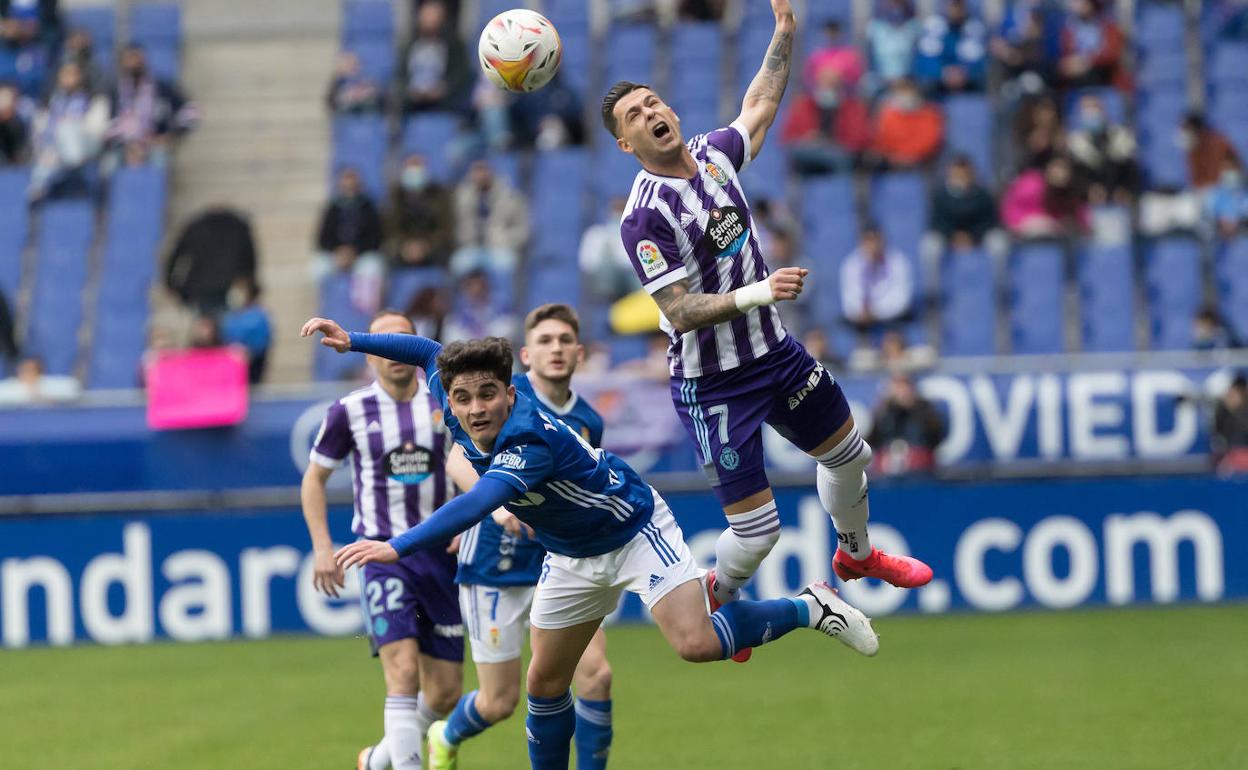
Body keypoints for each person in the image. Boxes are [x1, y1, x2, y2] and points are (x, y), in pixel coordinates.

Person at [304, 320, 880, 770]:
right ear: (448, 400)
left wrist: (396, 546)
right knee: (544, 685)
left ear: (510, 393)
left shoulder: (525, 439)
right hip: (573, 554)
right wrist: (352, 340)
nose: (475, 408)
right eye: (463, 398)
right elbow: (428, 350)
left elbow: (476, 503)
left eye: (487, 395)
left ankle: (811, 606)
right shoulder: (453, 394)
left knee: (696, 643)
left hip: (633, 529)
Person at [601, 0, 931, 665]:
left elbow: (758, 106)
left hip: (774, 355)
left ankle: (856, 556)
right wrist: (759, 290)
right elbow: (681, 309)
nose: (650, 113)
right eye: (633, 115)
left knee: (851, 456)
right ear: (625, 144)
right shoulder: (643, 219)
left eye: (652, 102)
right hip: (714, 381)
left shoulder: (714, 158)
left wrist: (784, 33)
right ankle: (720, 596)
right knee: (756, 536)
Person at [425, 304, 615, 770]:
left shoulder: (588, 419)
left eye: (564, 340)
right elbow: (456, 461)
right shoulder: (502, 398)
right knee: (500, 701)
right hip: (496, 563)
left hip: (564, 561)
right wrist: (497, 508)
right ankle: (444, 735)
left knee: (596, 675)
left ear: (578, 352)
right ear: (526, 356)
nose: (555, 349)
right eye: (545, 341)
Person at [300, 310, 464, 770]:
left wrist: (472, 521)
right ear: (370, 353)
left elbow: (470, 466)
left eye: (404, 341)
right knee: (403, 672)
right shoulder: (349, 411)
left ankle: (378, 760)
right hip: (380, 555)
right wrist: (322, 547)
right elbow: (314, 480)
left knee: (447, 691)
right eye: (383, 343)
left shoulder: (444, 404)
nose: (394, 353)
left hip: (440, 555)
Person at [28, 61, 108, 200]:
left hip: (85, 146)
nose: (69, 78)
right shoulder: (51, 101)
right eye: (66, 74)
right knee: (44, 159)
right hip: (55, 150)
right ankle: (39, 190)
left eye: (73, 74)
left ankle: (68, 161)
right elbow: (40, 131)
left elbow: (98, 131)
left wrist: (70, 125)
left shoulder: (94, 99)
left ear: (81, 77)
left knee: (67, 128)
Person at [106, 44, 197, 167]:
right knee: (110, 163)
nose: (132, 62)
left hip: (155, 142)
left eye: (136, 57)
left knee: (159, 159)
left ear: (144, 59)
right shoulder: (116, 90)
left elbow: (190, 111)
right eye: (128, 59)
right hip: (124, 144)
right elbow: (111, 123)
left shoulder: (162, 87)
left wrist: (172, 135)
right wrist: (128, 144)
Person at [314, 166, 386, 313]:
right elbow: (322, 238)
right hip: (337, 255)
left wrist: (355, 251)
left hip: (362, 255)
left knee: (372, 268)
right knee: (318, 268)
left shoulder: (368, 207)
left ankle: (366, 313)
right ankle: (327, 308)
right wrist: (338, 252)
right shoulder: (333, 207)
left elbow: (376, 237)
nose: (349, 184)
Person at [780, 61, 871, 175]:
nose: (828, 87)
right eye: (825, 83)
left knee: (840, 160)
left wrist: (835, 142)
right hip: (810, 154)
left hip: (841, 154)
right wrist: (808, 138)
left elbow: (860, 140)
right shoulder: (803, 106)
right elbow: (788, 137)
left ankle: (839, 189)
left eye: (833, 84)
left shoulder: (852, 108)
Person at [165, 206, 258, 313]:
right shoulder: (238, 227)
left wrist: (172, 284)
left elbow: (177, 255)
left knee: (207, 321)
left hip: (200, 288)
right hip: (227, 287)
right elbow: (249, 259)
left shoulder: (196, 226)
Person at [449, 158, 529, 278]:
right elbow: (453, 225)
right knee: (457, 264)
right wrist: (463, 238)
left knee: (508, 264)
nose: (480, 175)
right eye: (476, 170)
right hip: (471, 248)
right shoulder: (461, 196)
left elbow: (523, 229)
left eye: (484, 170)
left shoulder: (512, 197)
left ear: (492, 171)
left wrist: (505, 239)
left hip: (500, 248)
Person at [866, 373, 946, 475]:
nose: (902, 391)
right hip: (887, 465)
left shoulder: (925, 409)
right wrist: (886, 410)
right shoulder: (883, 411)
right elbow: (872, 440)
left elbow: (936, 436)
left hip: (919, 466)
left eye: (904, 386)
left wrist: (915, 409)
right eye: (898, 387)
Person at [1066, 94, 1139, 204]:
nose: (1091, 113)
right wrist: (1089, 189)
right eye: (1087, 108)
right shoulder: (1074, 141)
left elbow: (1129, 167)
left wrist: (1123, 189)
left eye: (1095, 107)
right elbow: (1074, 176)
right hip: (1086, 201)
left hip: (1119, 199)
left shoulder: (1121, 135)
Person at [386, 153, 455, 270]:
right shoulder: (395, 195)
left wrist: (426, 246)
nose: (415, 170)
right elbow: (390, 228)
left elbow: (446, 227)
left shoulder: (440, 194)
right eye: (411, 166)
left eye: (418, 165)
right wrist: (405, 246)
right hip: (403, 248)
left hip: (433, 247)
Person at [840, 225, 915, 332]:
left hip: (893, 323)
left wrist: (875, 312)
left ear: (883, 241)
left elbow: (901, 301)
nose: (872, 246)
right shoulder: (850, 264)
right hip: (861, 324)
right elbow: (849, 302)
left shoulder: (899, 261)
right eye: (868, 241)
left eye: (875, 240)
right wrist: (861, 311)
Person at [868, 77, 945, 169]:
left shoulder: (930, 114)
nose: (905, 97)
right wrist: (894, 157)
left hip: (921, 162)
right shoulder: (887, 114)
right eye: (901, 92)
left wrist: (909, 156)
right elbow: (881, 139)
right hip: (891, 162)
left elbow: (930, 141)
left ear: (916, 93)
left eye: (909, 92)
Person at [913, 0, 987, 94]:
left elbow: (980, 62)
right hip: (939, 82)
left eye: (959, 7)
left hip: (967, 81)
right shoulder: (933, 26)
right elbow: (925, 61)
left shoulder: (975, 28)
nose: (956, 11)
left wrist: (964, 72)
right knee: (926, 83)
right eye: (953, 6)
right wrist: (944, 72)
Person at [930, 155, 998, 247]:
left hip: (978, 237)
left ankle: (1000, 262)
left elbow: (988, 222)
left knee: (997, 239)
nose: (961, 177)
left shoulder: (983, 196)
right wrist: (952, 235)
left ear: (971, 174)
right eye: (957, 174)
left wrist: (972, 236)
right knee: (931, 242)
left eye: (964, 174)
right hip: (948, 237)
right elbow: (937, 223)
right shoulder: (940, 196)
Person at [219, 276, 272, 384]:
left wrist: (248, 352)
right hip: (230, 366)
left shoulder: (259, 316)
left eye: (240, 290)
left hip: (252, 367)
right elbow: (224, 338)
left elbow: (262, 342)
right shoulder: (230, 316)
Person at [1180, 113, 1242, 192]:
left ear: (1196, 131)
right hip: (1205, 191)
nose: (1183, 135)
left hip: (1226, 190)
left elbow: (1214, 177)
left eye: (1187, 130)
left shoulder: (1217, 143)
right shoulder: (1192, 148)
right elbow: (1195, 179)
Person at [0, 356, 83, 405]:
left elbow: (74, 388)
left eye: (32, 370)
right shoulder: (8, 389)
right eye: (25, 370)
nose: (28, 373)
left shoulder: (56, 386)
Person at [1212, 373, 1248, 474]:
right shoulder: (1224, 410)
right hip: (1230, 455)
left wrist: (1237, 411)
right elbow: (1218, 431)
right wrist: (1229, 410)